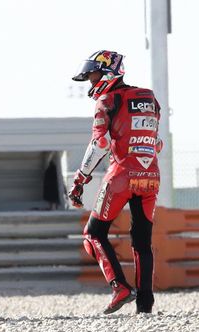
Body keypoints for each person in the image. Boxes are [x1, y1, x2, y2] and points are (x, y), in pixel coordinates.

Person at [69, 50, 162, 314]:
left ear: (108, 72)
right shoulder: (150, 98)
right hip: (151, 176)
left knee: (93, 234)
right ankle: (145, 306)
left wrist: (79, 180)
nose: (91, 82)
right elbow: (157, 143)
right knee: (142, 242)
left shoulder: (107, 100)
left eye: (92, 75)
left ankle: (119, 287)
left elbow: (99, 144)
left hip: (121, 175)